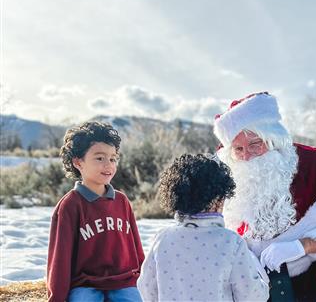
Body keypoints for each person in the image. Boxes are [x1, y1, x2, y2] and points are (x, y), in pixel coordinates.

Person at [213, 92, 316, 302]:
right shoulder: (227, 176)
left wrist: (303, 245)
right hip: (248, 281)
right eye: (238, 149)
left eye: (255, 144)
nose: (247, 156)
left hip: (310, 275)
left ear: (273, 138)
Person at [137, 153, 270, 302]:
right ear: (219, 201)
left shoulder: (163, 238)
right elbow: (251, 296)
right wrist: (264, 284)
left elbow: (146, 287)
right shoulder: (231, 242)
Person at [47, 121, 144, 302]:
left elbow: (136, 248)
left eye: (113, 158)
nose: (108, 165)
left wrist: (144, 280)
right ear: (78, 162)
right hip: (85, 284)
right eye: (100, 158)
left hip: (123, 281)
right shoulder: (70, 205)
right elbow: (59, 259)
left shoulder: (121, 201)